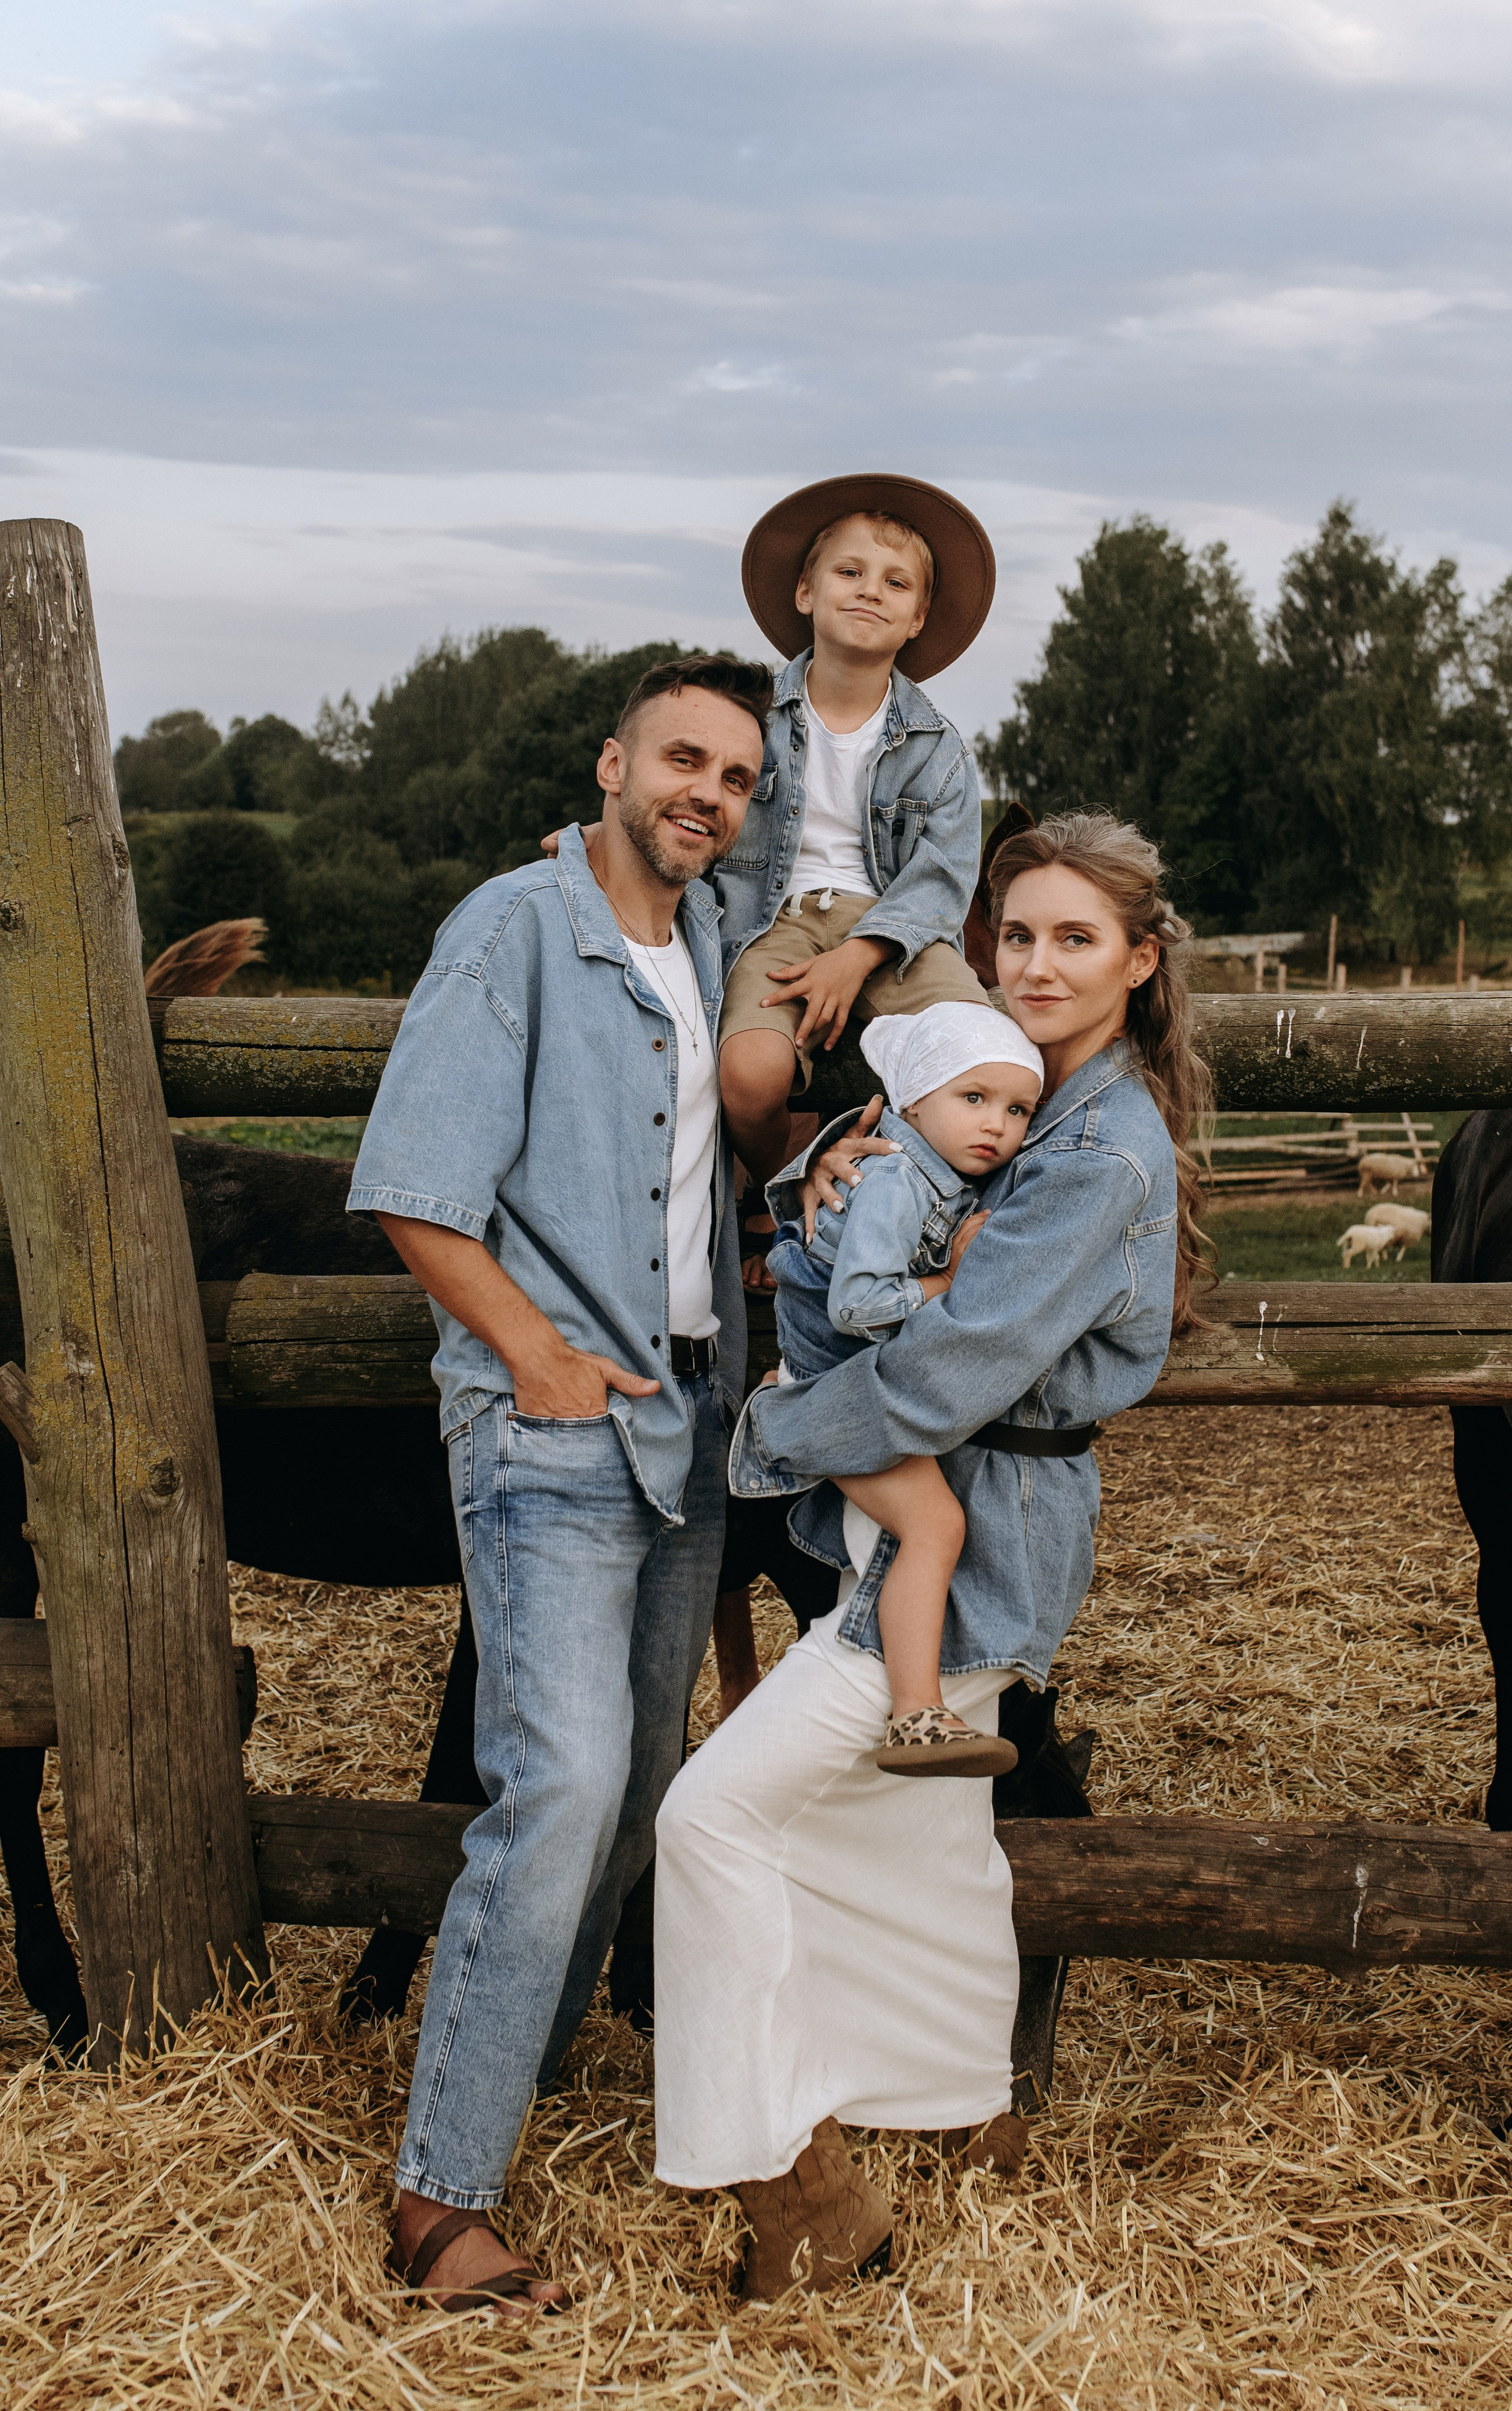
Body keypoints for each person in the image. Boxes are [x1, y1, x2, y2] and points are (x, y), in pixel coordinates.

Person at [653, 812, 1211, 2302]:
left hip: (979, 1546)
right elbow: (907, 1193)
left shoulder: (1093, 1155)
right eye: (1014, 934)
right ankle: (970, 2113)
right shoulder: (1019, 1105)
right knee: (918, 1832)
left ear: (1136, 960)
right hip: (948, 1526)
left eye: (1074, 938)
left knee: (709, 1820)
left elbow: (949, 1366)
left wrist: (773, 1430)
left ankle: (800, 2193)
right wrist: (839, 1164)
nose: (1034, 964)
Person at [346, 653, 771, 2315]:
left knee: (641, 1780)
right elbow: (414, 1186)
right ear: (612, 764)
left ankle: (528, 2056)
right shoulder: (513, 932)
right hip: (555, 1431)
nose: (707, 795)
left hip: (690, 1424)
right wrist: (531, 1354)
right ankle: (439, 2197)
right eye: (682, 760)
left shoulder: (712, 940)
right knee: (567, 1786)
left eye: (734, 778)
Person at [761, 1002, 1043, 1776]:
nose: (996, 1124)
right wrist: (950, 1281)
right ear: (913, 1100)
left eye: (1017, 1109)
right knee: (935, 1526)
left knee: (917, 1533)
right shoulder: (894, 1177)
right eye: (974, 1097)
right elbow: (856, 1306)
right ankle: (915, 1713)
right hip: (832, 1391)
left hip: (860, 1381)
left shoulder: (941, 1169)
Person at [718, 473, 997, 1188]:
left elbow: (942, 878)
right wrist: (603, 837)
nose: (870, 590)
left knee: (987, 1053)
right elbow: (691, 797)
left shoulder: (938, 750)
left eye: (895, 583)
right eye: (850, 572)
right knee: (749, 1075)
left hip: (895, 929)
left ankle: (929, 1209)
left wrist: (859, 953)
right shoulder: (749, 718)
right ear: (805, 592)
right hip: (772, 924)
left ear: (917, 617)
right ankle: (783, 1190)